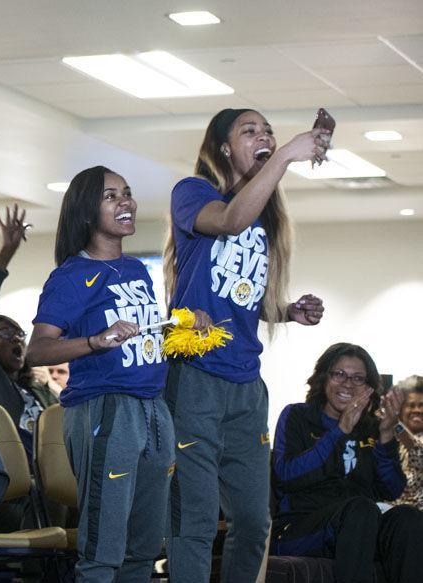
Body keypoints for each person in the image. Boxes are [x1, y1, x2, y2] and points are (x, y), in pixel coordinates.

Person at [162, 108, 328, 582]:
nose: (265, 137)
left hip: (244, 381)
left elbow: (239, 296)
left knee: (255, 521)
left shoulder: (263, 219)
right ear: (223, 149)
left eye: (269, 131)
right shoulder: (193, 193)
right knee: (193, 518)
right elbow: (231, 220)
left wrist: (285, 310)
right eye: (249, 131)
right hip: (192, 367)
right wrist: (289, 154)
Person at [26, 166, 208, 583]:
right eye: (111, 196)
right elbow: (38, 349)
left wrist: (183, 330)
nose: (126, 201)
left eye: (127, 193)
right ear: (87, 212)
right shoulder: (70, 276)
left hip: (153, 410)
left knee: (144, 547)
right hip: (105, 411)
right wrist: (94, 341)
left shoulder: (136, 271)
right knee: (103, 548)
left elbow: (142, 341)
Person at [271, 342, 423, 583]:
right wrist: (339, 431)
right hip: (302, 527)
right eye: (339, 374)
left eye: (358, 378)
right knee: (361, 509)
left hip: (359, 529)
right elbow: (286, 475)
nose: (347, 384)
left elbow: (391, 489)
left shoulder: (371, 428)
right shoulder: (298, 415)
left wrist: (385, 437)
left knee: (408, 518)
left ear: (369, 388)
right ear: (324, 378)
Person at [0, 205, 58, 460]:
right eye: (4, 334)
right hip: (11, 480)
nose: (16, 338)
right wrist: (6, 253)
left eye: (19, 334)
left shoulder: (38, 389)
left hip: (49, 483)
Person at [392, 375, 423, 512]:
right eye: (410, 405)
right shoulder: (387, 438)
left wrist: (393, 422)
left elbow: (418, 451)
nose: (417, 410)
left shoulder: (396, 428)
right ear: (400, 409)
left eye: (422, 405)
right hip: (386, 512)